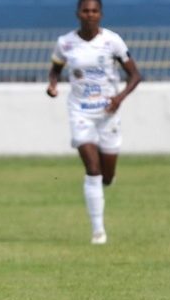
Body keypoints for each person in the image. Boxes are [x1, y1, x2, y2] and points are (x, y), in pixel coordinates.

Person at [46, 0, 141, 245]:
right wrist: (53, 85)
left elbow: (135, 75)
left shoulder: (112, 41)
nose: (90, 15)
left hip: (107, 112)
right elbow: (56, 68)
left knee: (107, 176)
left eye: (94, 11)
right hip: (80, 112)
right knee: (93, 169)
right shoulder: (65, 43)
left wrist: (119, 98)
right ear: (78, 13)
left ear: (100, 14)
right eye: (85, 10)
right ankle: (98, 231)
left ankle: (106, 178)